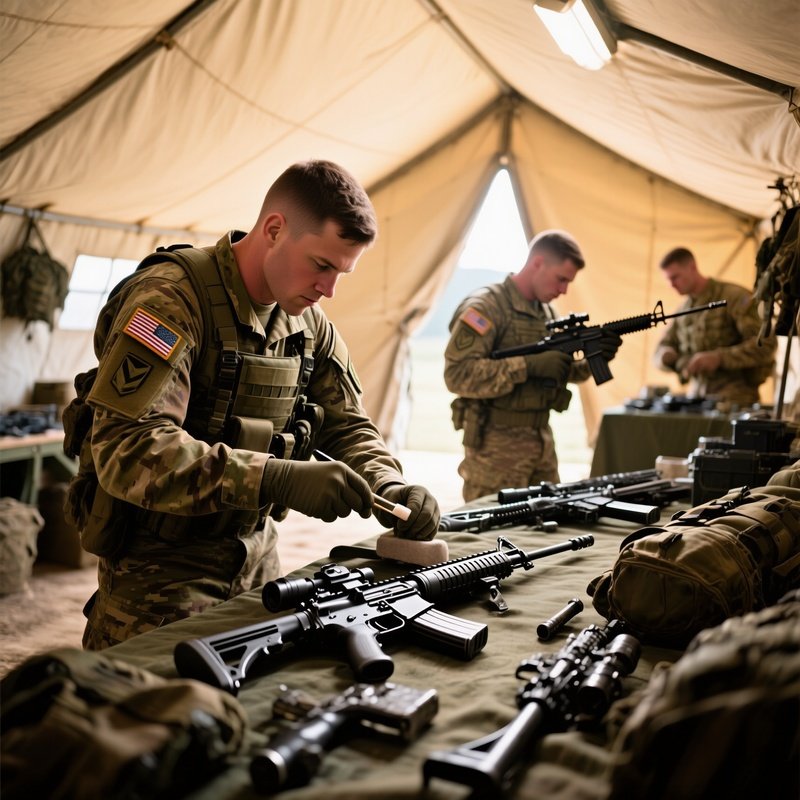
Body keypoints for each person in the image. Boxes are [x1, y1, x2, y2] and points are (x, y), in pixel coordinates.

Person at [70, 160, 441, 650]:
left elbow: (347, 424)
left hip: (258, 566)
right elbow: (129, 450)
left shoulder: (308, 323)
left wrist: (388, 484)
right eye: (322, 265)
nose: (328, 289)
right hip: (159, 578)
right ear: (273, 229)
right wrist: (275, 477)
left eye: (342, 273)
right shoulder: (171, 300)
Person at [444, 229, 621, 502]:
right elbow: (457, 375)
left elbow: (561, 369)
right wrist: (527, 366)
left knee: (548, 528)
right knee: (490, 534)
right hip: (496, 450)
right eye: (561, 279)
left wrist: (595, 356)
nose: (563, 290)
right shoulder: (487, 307)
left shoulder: (546, 312)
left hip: (541, 443)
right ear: (538, 263)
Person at [653, 247, 776, 406]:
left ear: (692, 267)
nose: (672, 285)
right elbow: (660, 350)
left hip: (737, 400)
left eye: (675, 277)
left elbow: (766, 344)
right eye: (668, 280)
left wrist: (719, 358)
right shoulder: (683, 311)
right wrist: (665, 355)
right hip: (697, 400)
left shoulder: (734, 298)